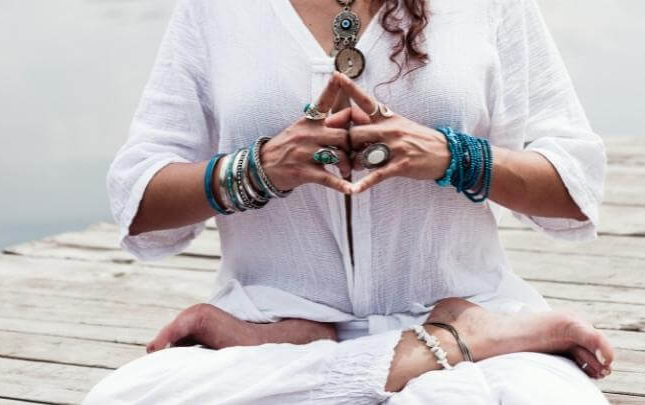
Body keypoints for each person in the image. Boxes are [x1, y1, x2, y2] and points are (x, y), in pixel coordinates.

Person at [85, 0, 612, 403]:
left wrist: (453, 156)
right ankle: (448, 344)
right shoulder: (215, 10)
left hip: (446, 306)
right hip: (269, 324)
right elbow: (140, 198)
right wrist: (259, 168)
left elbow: (574, 186)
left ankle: (427, 340)